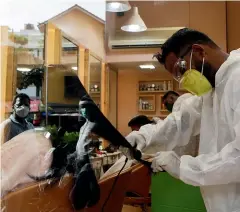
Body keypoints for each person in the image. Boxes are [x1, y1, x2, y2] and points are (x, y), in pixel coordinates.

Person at [151, 28, 240, 212]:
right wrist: (142, 138)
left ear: (199, 52)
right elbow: (179, 123)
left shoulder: (237, 79)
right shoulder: (213, 92)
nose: (182, 81)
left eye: (181, 69)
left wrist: (184, 166)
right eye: (177, 76)